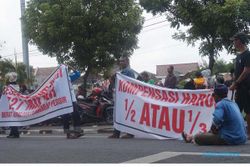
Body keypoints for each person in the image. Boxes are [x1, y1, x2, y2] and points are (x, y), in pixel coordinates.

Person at [182, 84, 247, 145]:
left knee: (198, 137)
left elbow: (216, 120)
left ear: (216, 95)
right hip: (242, 138)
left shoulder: (220, 104)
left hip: (231, 138)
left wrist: (213, 131)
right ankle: (191, 137)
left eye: (213, 95)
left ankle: (192, 138)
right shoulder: (233, 104)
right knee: (208, 133)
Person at [108, 56, 135, 139]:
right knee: (118, 114)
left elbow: (131, 84)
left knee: (126, 114)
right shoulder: (121, 72)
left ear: (127, 62)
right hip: (120, 96)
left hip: (126, 97)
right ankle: (116, 132)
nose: (121, 62)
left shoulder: (129, 72)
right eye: (120, 61)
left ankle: (129, 133)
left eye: (122, 61)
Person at [229, 32, 250, 139]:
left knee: (248, 110)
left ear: (240, 41)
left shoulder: (248, 54)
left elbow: (246, 71)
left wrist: (236, 83)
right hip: (239, 88)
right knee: (237, 109)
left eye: (235, 40)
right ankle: (240, 130)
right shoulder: (238, 56)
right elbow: (237, 72)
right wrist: (233, 82)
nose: (233, 42)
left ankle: (249, 133)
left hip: (246, 87)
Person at [61, 66, 84, 139]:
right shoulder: (58, 80)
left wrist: (73, 68)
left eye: (66, 70)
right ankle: (68, 134)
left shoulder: (69, 77)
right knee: (66, 116)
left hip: (72, 99)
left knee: (75, 114)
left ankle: (77, 131)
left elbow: (77, 74)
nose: (66, 71)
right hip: (64, 99)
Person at [5, 72, 20, 138]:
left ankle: (15, 133)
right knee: (13, 118)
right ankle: (12, 133)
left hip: (11, 104)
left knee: (12, 119)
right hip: (15, 104)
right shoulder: (17, 86)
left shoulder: (10, 86)